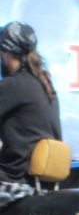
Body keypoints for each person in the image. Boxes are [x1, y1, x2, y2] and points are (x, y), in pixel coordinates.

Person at [0, 22, 62, 204]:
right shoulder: (44, 85)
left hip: (12, 182)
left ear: (5, 53)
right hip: (35, 183)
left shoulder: (14, 86)